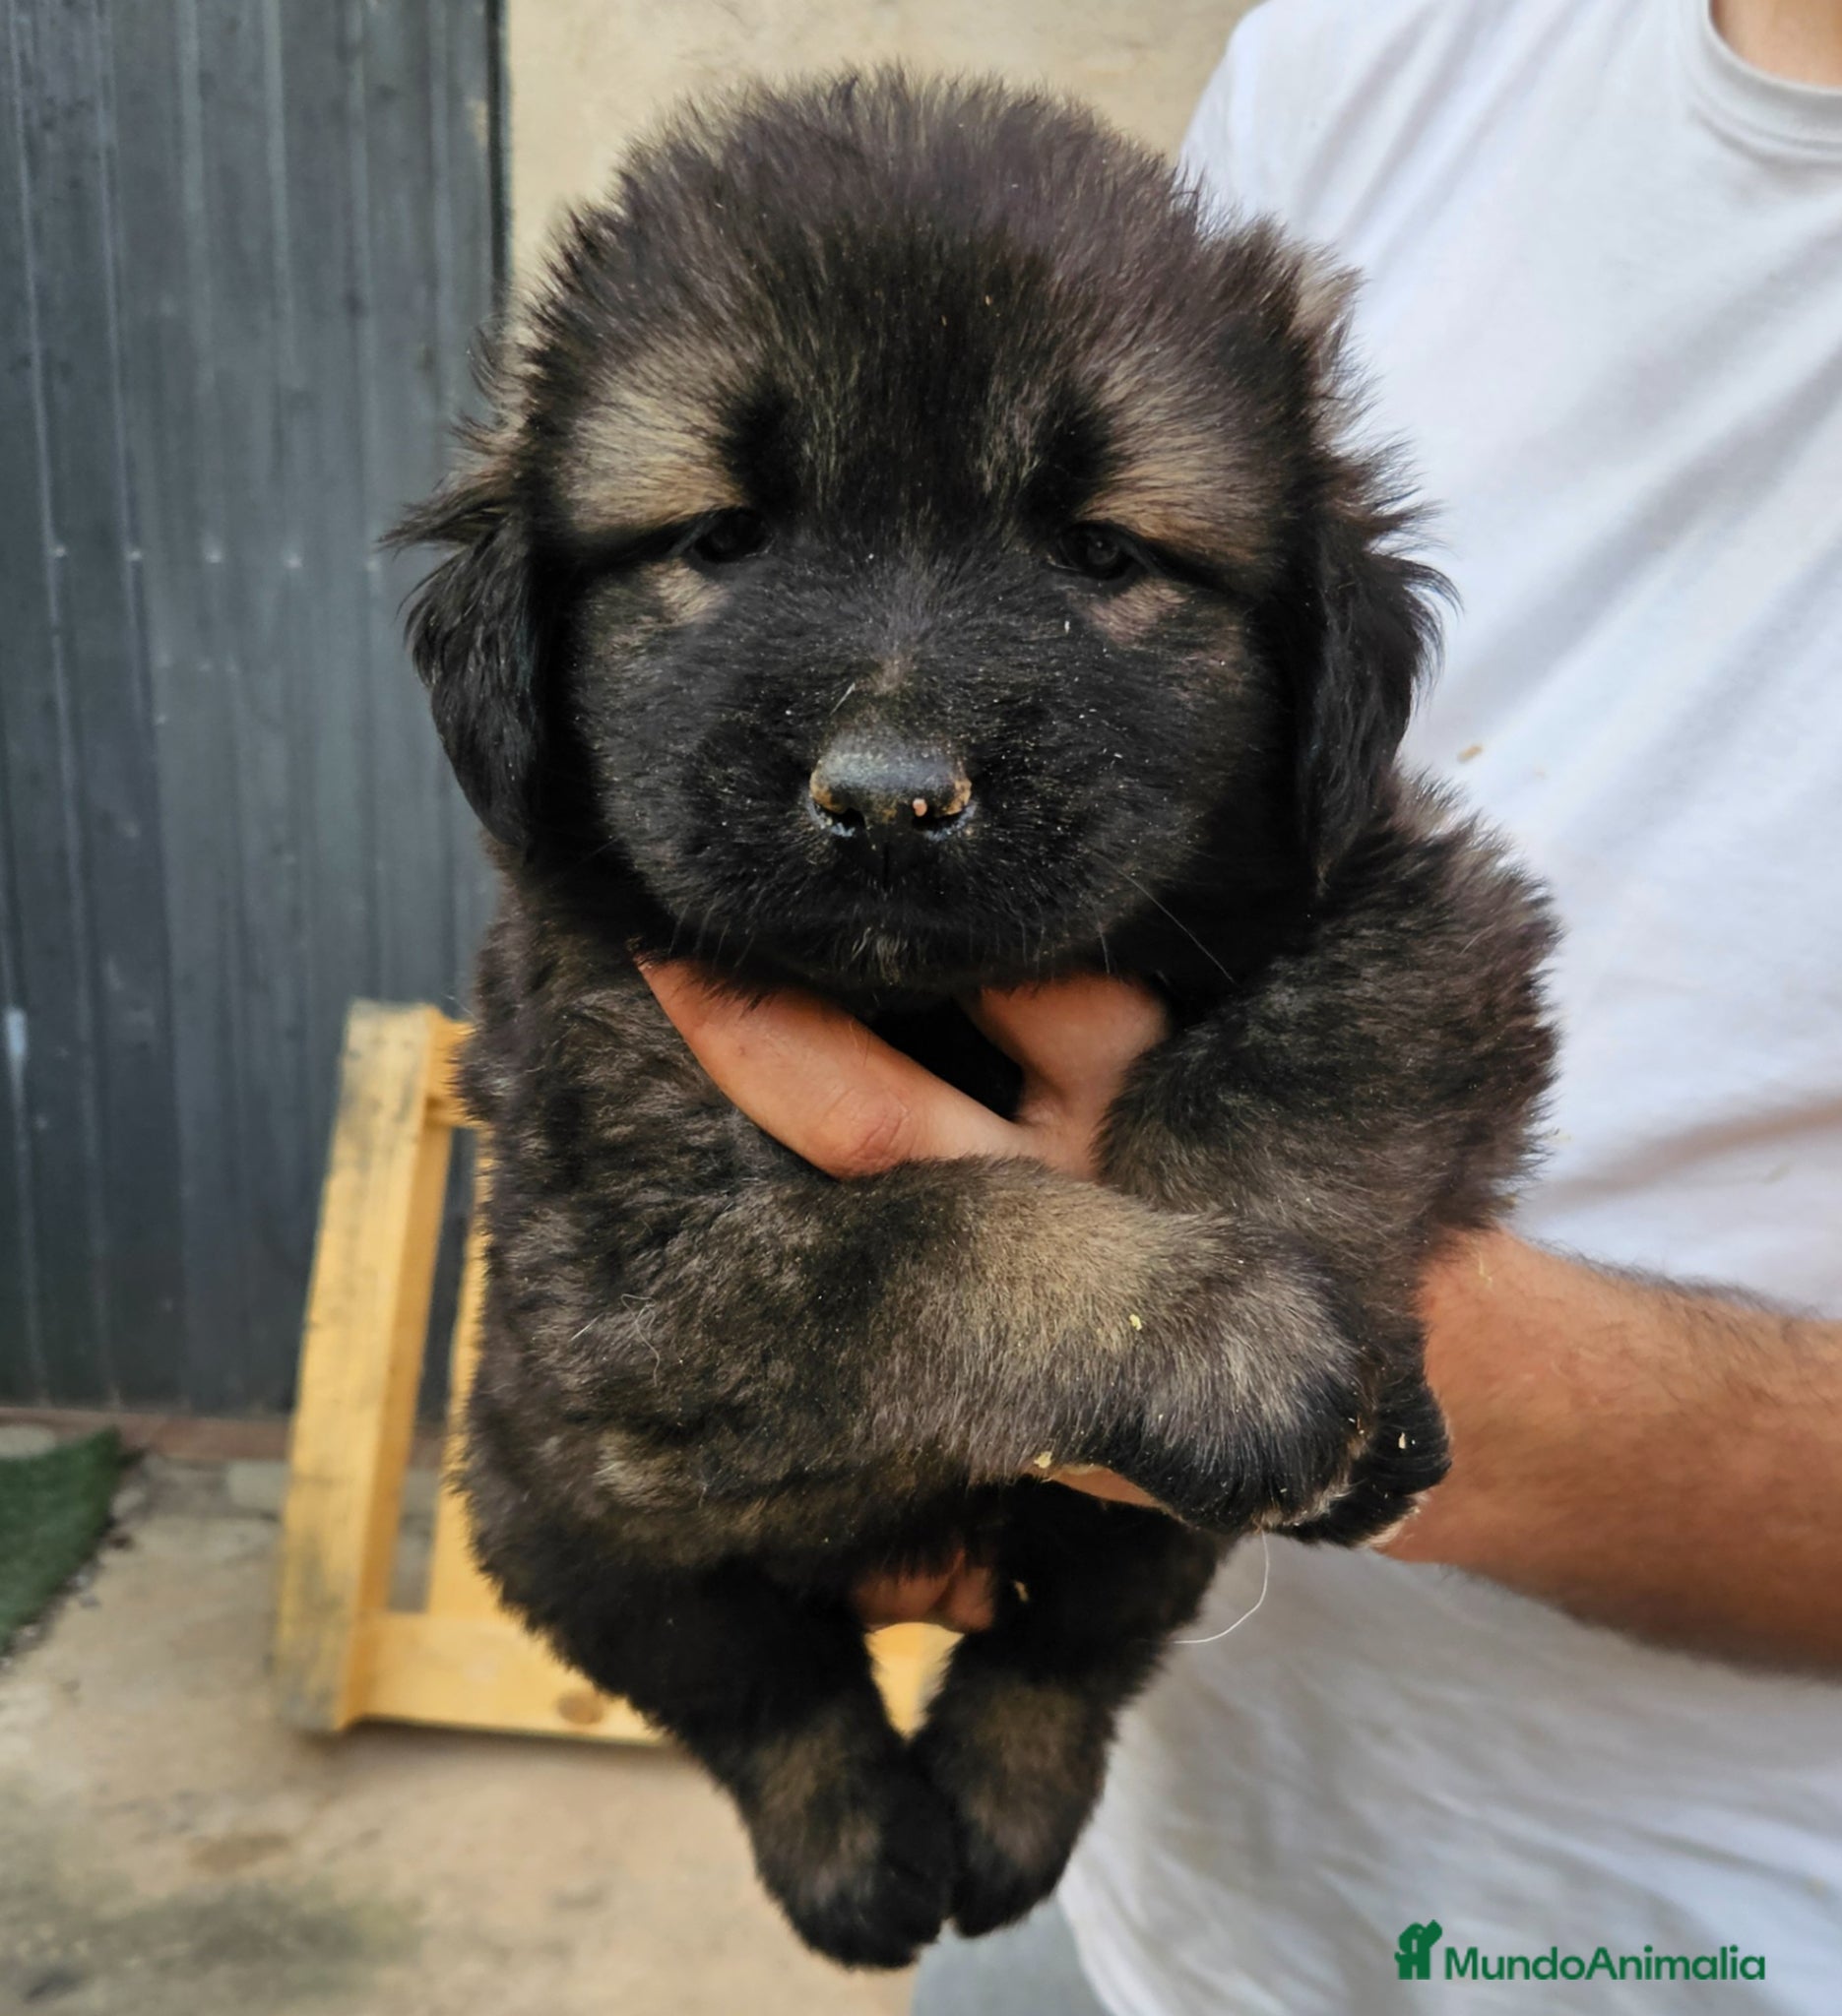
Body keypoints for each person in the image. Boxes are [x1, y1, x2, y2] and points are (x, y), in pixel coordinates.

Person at [641, 0, 1842, 2006]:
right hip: (1162, 1874)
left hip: (1720, 1935)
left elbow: (1388, 914)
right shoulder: (1380, 44)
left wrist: (1302, 1360)